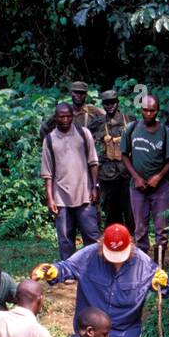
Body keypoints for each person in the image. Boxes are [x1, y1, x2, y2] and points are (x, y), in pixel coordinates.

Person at [31, 224, 167, 337]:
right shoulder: (89, 255)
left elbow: (166, 288)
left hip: (125, 327)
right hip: (91, 326)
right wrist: (53, 271)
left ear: (130, 246)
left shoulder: (143, 264)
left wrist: (162, 283)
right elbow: (68, 267)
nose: (116, 260)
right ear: (102, 246)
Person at [120, 93, 169, 261]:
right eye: (145, 110)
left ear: (157, 110)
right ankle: (143, 266)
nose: (148, 114)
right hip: (137, 187)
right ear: (141, 110)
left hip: (160, 188)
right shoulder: (132, 128)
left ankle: (159, 266)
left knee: (162, 229)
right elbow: (124, 155)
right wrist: (136, 177)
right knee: (140, 229)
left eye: (152, 111)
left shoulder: (165, 132)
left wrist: (158, 177)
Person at [40, 101, 101, 260]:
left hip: (84, 193)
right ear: (56, 117)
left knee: (91, 234)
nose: (66, 119)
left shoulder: (84, 134)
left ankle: (94, 266)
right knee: (65, 238)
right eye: (62, 117)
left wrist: (95, 186)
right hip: (61, 196)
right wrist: (50, 197)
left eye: (68, 116)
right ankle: (68, 270)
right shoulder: (50, 140)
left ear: (72, 117)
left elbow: (93, 162)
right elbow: (47, 172)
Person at [90, 89, 133, 231]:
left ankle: (133, 244)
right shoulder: (98, 123)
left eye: (112, 102)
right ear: (103, 104)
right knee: (110, 213)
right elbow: (86, 142)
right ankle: (112, 244)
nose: (110, 106)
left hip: (127, 173)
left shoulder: (130, 120)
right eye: (107, 103)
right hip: (107, 175)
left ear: (117, 103)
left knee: (130, 211)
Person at [39, 80, 103, 141]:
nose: (79, 96)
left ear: (86, 94)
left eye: (82, 93)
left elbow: (108, 120)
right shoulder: (64, 111)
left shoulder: (92, 111)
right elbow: (45, 128)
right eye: (76, 92)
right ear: (71, 93)